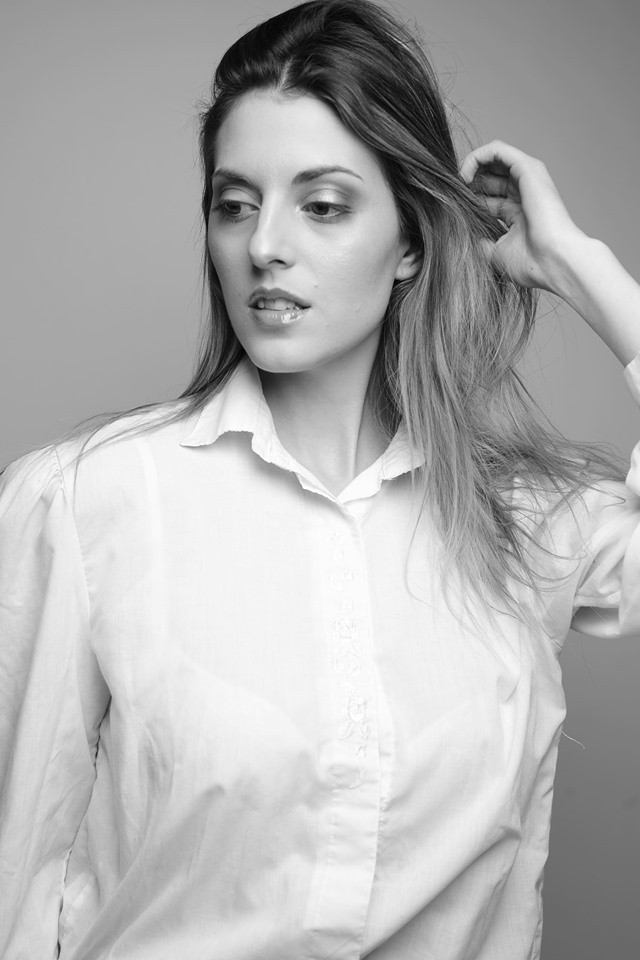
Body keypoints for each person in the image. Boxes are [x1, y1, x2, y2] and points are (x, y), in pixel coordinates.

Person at [1, 0, 639, 957]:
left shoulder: (524, 520)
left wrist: (581, 268)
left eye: (323, 205)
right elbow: (15, 869)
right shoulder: (87, 502)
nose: (264, 244)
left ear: (412, 243)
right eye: (235, 203)